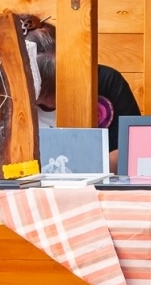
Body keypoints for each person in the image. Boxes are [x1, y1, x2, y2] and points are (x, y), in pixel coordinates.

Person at [23, 19, 141, 171]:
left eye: (54, 90)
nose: (51, 105)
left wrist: (88, 168)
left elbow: (131, 148)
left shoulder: (106, 81)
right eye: (43, 96)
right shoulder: (9, 94)